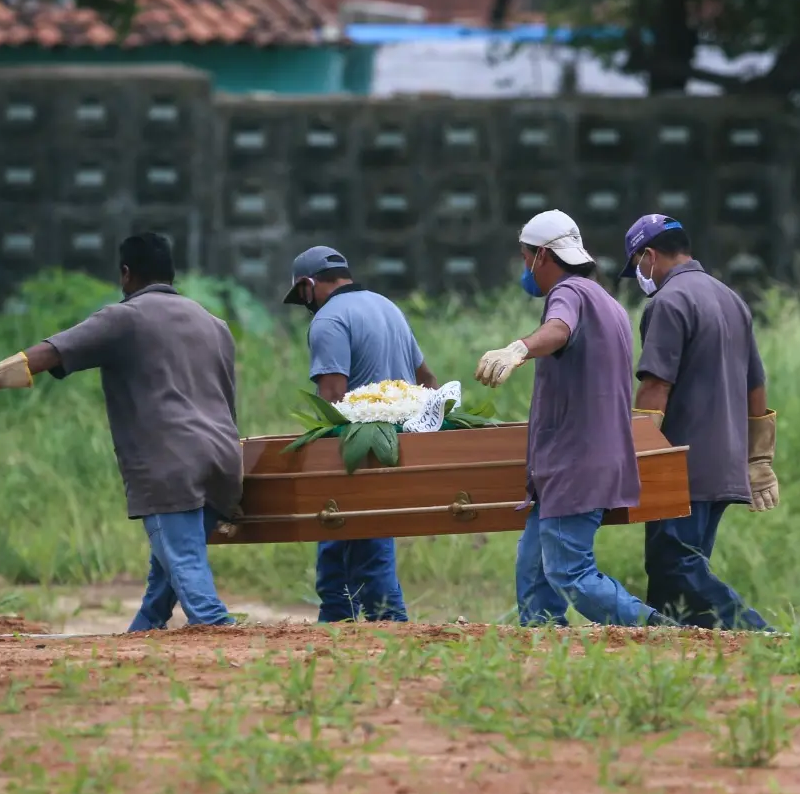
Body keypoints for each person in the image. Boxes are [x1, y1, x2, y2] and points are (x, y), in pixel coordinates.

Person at [0, 232, 241, 633]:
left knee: (185, 565)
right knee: (165, 579)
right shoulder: (215, 324)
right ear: (171, 273)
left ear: (126, 274)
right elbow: (227, 398)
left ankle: (220, 630)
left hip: (172, 466)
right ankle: (141, 635)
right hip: (223, 461)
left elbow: (52, 352)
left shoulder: (125, 318)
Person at [475, 210, 671, 628]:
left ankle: (656, 630)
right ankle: (542, 642)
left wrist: (519, 349)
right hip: (582, 460)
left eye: (525, 257)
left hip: (574, 461)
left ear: (542, 255)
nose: (525, 268)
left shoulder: (569, 293)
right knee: (534, 568)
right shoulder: (607, 301)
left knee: (569, 572)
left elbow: (559, 329)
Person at [621, 213, 777, 631]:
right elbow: (756, 386)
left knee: (675, 563)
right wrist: (759, 458)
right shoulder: (731, 300)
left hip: (682, 463)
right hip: (725, 461)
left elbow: (656, 385)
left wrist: (638, 453)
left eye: (637, 265)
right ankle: (671, 648)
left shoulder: (669, 302)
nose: (640, 275)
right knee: (674, 577)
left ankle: (758, 633)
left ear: (649, 255)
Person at [282, 246, 439, 623]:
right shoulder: (388, 308)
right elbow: (429, 381)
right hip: (399, 446)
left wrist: (319, 460)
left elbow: (333, 397)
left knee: (367, 545)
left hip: (358, 451)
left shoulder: (329, 319)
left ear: (308, 285)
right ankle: (336, 620)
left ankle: (390, 626)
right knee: (341, 543)